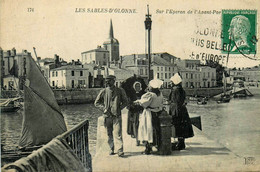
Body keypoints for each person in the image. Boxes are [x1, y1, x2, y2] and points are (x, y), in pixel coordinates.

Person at [94, 75, 128, 157]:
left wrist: (119, 108)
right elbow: (96, 103)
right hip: (107, 116)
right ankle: (111, 148)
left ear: (114, 81)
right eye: (106, 81)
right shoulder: (103, 91)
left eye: (109, 80)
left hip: (117, 116)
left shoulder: (120, 91)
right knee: (109, 134)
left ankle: (120, 150)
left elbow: (125, 102)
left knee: (118, 133)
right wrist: (104, 109)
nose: (107, 82)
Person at [134, 79, 163, 154]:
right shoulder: (160, 94)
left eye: (149, 86)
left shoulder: (150, 94)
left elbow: (144, 103)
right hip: (156, 113)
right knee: (155, 130)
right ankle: (156, 145)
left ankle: (148, 149)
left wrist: (138, 101)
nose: (148, 87)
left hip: (149, 114)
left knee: (147, 129)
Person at [169, 73, 194, 150]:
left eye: (171, 81)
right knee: (182, 126)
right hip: (182, 110)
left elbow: (175, 101)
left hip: (176, 110)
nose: (170, 83)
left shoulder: (175, 90)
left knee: (177, 126)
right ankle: (181, 143)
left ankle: (180, 144)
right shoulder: (181, 89)